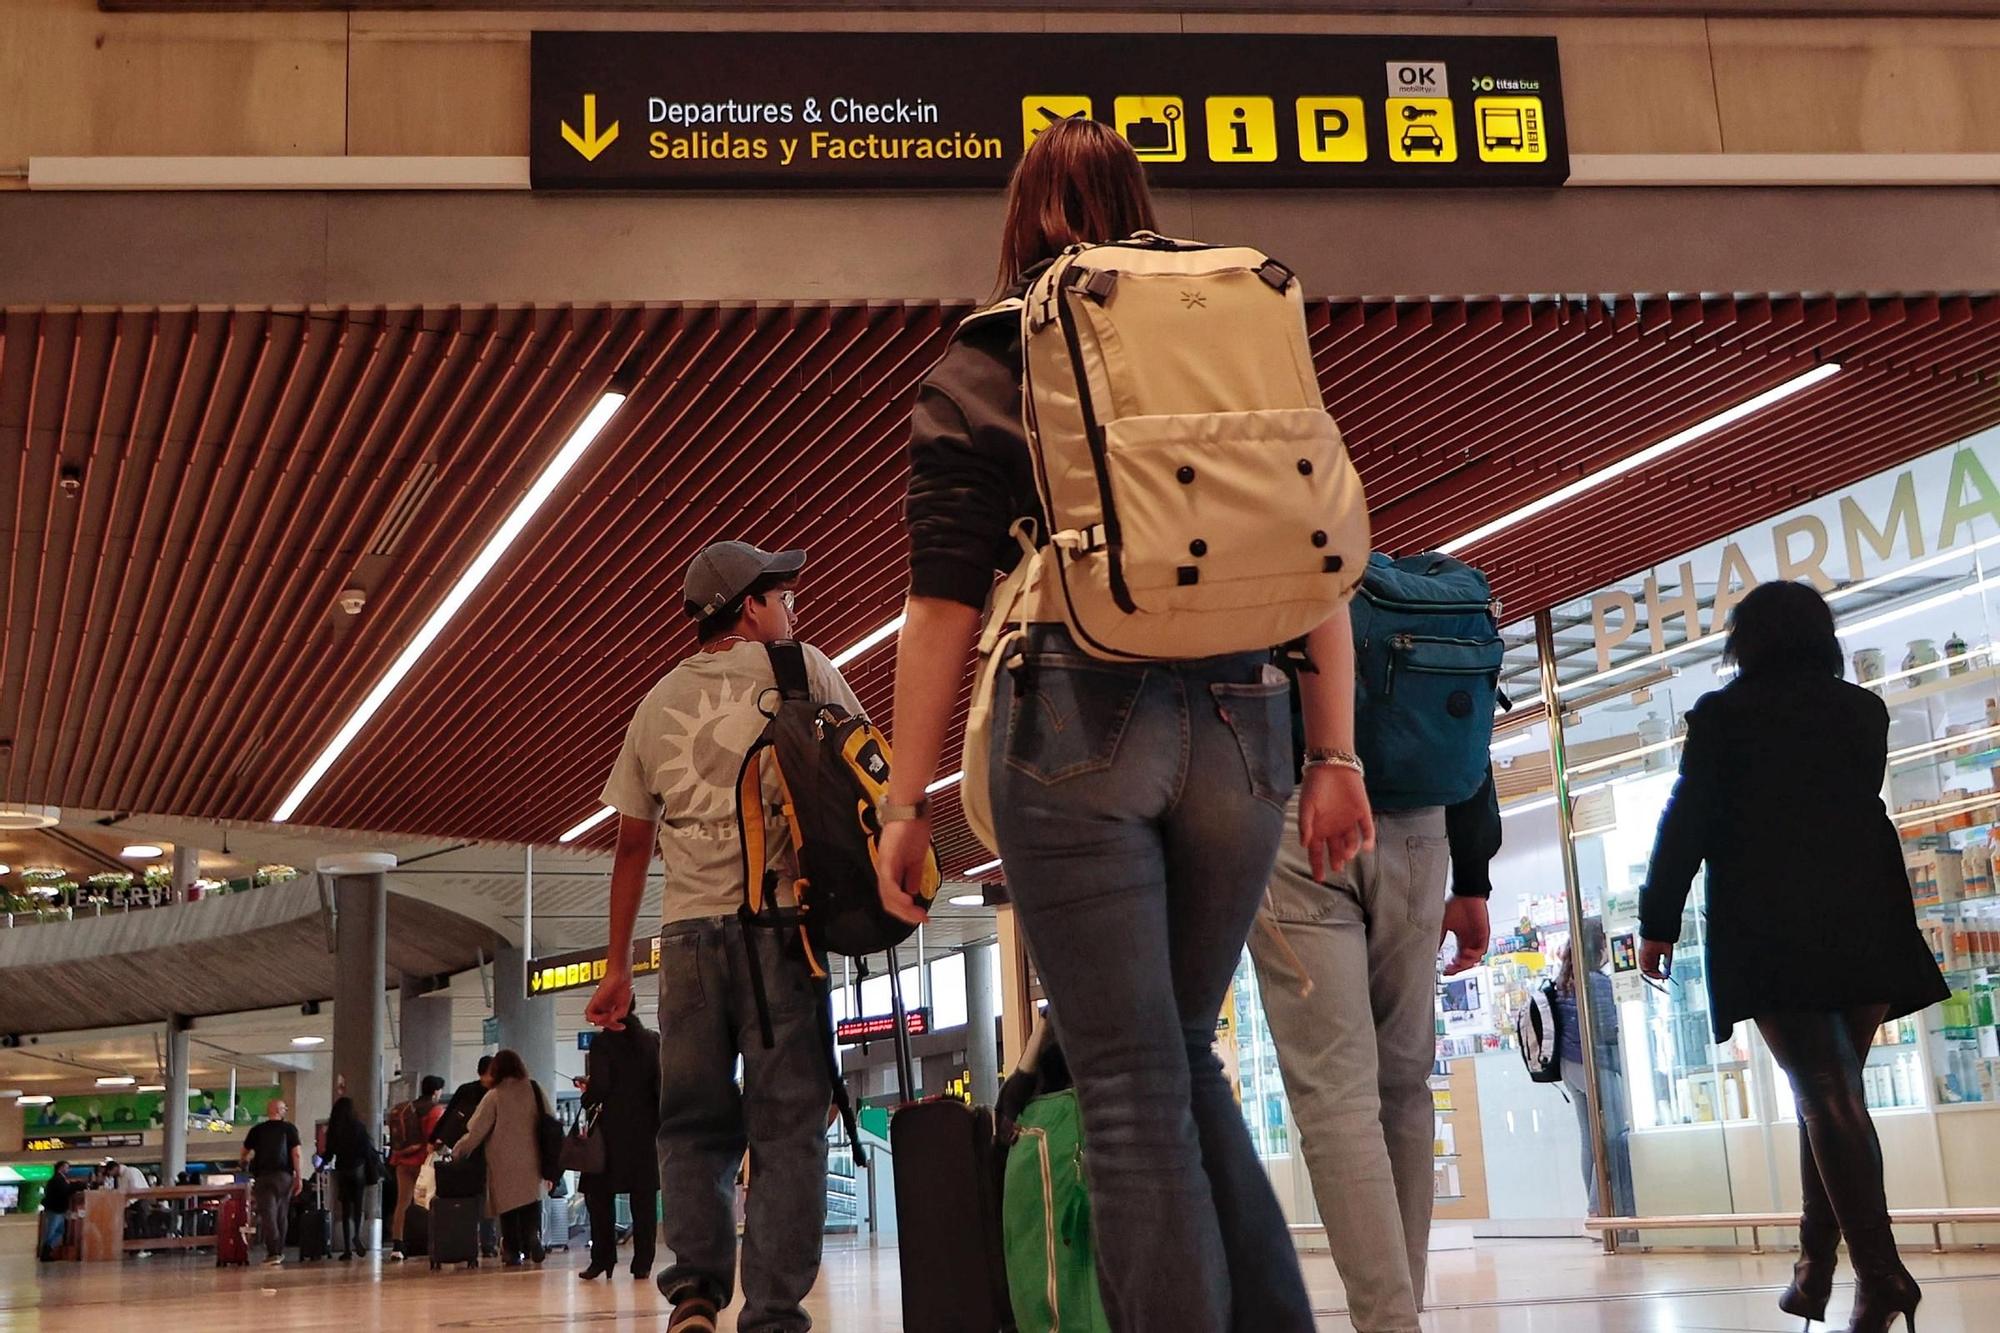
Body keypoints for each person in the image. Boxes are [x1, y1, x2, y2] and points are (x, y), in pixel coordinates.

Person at [874, 117, 1372, 1332]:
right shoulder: (1235, 334)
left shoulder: (984, 360)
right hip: (1248, 719)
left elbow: (939, 605)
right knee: (1183, 1059)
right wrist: (1335, 753)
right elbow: (1316, 560)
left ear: (1020, 221)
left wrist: (903, 802)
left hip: (1077, 715)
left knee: (1133, 1086)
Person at [1640, 580, 1948, 1333]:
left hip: (1775, 922)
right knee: (1834, 1093)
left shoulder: (1724, 717)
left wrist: (1657, 920)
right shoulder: (1862, 710)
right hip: (1868, 913)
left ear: (1746, 641)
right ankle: (1814, 1268)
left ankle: (1882, 1277)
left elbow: (1689, 820)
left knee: (1823, 1090)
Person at [586, 538, 864, 1333]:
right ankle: (773, 1311)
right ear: (750, 607)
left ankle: (696, 1295)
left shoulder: (654, 703)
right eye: (782, 595)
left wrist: (615, 968)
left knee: (694, 1126)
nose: (793, 609)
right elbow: (862, 772)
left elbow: (632, 846)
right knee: (787, 1127)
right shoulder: (799, 667)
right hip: (777, 931)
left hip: (684, 946)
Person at [1248, 722, 1498, 1333]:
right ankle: (1400, 1314)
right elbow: (1469, 709)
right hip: (1421, 814)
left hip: (1295, 808)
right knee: (1404, 1084)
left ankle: (1393, 1325)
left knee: (1338, 1099)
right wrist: (1470, 877)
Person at [1555, 919, 1636, 1227]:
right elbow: (1610, 1030)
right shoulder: (1598, 983)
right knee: (1613, 1136)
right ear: (1599, 947)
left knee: (1589, 1137)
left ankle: (1592, 1207)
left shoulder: (1564, 981)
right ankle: (1598, 1208)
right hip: (1597, 1066)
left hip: (1570, 1069)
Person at [578, 1002, 662, 1281]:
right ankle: (643, 1263)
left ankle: (603, 1259)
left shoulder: (603, 1044)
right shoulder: (653, 1041)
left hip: (611, 1131)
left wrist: (587, 1094)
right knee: (644, 1199)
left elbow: (601, 1087)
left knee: (600, 1196)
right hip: (645, 1131)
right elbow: (660, 1085)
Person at [449, 1047, 554, 1268]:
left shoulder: (494, 1095)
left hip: (502, 1160)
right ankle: (533, 1237)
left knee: (507, 1208)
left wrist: (459, 1150)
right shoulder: (534, 1088)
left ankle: (513, 1251)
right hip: (532, 1156)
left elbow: (477, 1129)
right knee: (530, 1202)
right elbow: (550, 1119)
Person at [432, 1056, 498, 1258]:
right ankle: (481, 1242)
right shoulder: (487, 1093)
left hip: (472, 1151)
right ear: (483, 1073)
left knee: (479, 1197)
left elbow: (449, 1114)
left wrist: (437, 1138)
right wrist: (435, 1138)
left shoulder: (472, 1091)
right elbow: (450, 1116)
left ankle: (481, 1241)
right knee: (481, 1197)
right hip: (476, 1151)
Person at [387, 1074, 446, 1259]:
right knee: (430, 1201)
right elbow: (434, 1138)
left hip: (403, 1162)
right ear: (436, 1091)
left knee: (402, 1203)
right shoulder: (435, 1111)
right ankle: (431, 1241)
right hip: (425, 1164)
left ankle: (398, 1245)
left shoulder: (408, 1108)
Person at [240, 1099, 302, 1266]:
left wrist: (244, 1163)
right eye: (284, 1109)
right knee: (281, 1214)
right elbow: (296, 1154)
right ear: (280, 1111)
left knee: (268, 1214)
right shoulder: (289, 1129)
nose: (285, 1111)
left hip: (264, 1177)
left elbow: (244, 1152)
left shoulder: (257, 1130)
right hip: (284, 1177)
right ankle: (278, 1250)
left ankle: (273, 1252)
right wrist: (298, 1176)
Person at [322, 1096, 374, 1260]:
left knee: (345, 1210)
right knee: (358, 1207)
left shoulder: (334, 1129)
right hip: (358, 1169)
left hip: (342, 1171)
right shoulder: (358, 1127)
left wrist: (320, 1162)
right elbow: (366, 1149)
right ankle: (356, 1235)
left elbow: (329, 1153)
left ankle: (346, 1249)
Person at [38, 1161, 75, 1262]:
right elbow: (65, 1190)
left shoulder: (59, 1179)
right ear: (61, 1168)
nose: (68, 1169)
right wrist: (74, 1187)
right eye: (67, 1167)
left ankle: (48, 1249)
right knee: (52, 1230)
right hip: (55, 1209)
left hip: (58, 1209)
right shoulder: (58, 1180)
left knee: (59, 1231)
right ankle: (45, 1251)